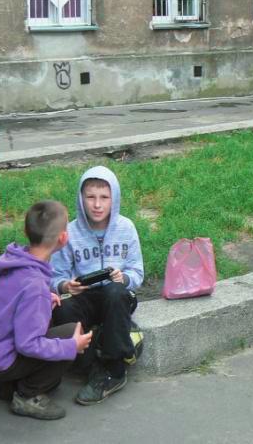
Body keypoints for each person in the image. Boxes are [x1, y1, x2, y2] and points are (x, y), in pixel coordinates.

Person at [0, 200, 94, 420]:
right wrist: (70, 346)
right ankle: (27, 397)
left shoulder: (13, 262)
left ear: (26, 231)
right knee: (70, 334)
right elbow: (28, 344)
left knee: (54, 381)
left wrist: (42, 298)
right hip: (5, 361)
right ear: (63, 238)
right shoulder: (35, 286)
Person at [51, 166, 144, 406]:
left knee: (114, 293)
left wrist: (123, 278)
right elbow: (55, 275)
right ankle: (91, 367)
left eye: (104, 197)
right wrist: (65, 286)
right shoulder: (69, 232)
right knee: (62, 309)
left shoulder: (126, 228)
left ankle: (115, 369)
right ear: (81, 199)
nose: (97, 205)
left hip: (118, 296)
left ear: (114, 198)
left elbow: (137, 271)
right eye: (90, 197)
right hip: (86, 297)